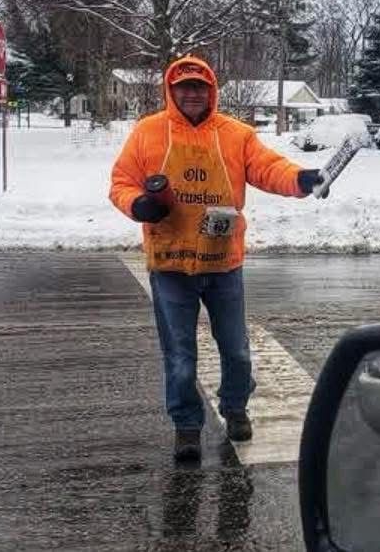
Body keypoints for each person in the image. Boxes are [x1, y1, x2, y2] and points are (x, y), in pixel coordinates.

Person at [109, 55, 328, 461]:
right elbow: (122, 181)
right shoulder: (147, 132)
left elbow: (268, 168)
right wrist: (138, 204)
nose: (192, 93)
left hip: (222, 260)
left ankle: (236, 407)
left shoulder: (236, 134)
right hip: (171, 262)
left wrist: (301, 179)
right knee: (179, 354)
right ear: (171, 91)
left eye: (200, 86)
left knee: (236, 348)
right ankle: (187, 427)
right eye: (184, 87)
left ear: (211, 90)